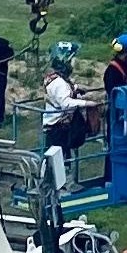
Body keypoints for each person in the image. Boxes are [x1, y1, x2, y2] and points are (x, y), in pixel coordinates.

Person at [41, 48, 84, 191]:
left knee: (56, 156)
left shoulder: (55, 79)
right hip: (58, 125)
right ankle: (65, 185)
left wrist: (77, 89)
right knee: (61, 157)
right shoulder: (59, 82)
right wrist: (86, 103)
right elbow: (65, 102)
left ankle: (55, 182)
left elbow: (66, 90)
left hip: (55, 124)